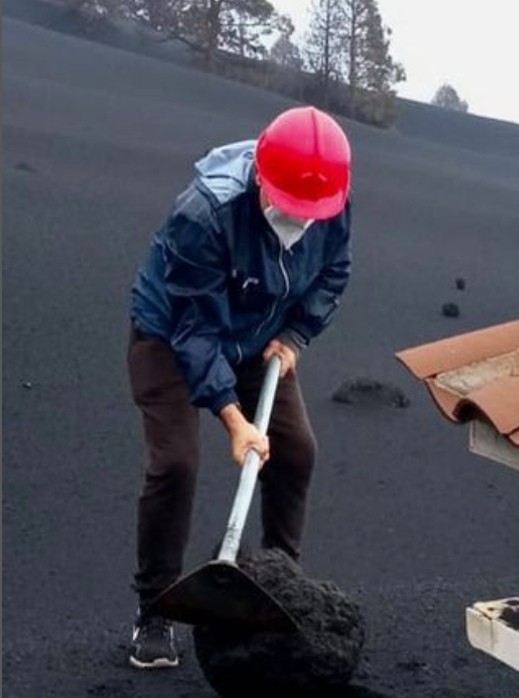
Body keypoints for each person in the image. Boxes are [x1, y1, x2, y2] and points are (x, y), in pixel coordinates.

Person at [126, 106, 352, 669]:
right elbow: (195, 330)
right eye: (290, 209)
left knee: (295, 452)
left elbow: (333, 270)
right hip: (172, 333)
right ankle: (153, 610)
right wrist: (233, 419)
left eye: (311, 213)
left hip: (257, 337)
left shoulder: (331, 200)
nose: (301, 222)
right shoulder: (204, 215)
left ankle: (278, 587)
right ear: (263, 182)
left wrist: (296, 334)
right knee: (175, 463)